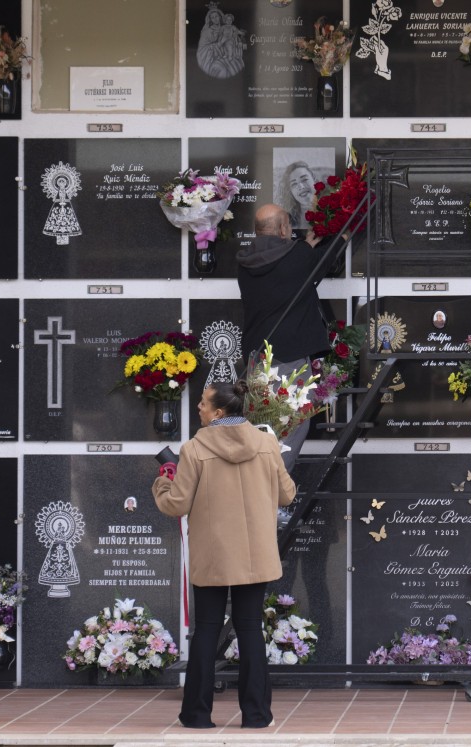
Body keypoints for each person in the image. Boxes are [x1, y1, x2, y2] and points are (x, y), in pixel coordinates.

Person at [152, 380, 295, 729]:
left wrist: (162, 481)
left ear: (218, 412)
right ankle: (257, 715)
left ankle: (198, 715)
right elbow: (287, 495)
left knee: (206, 631)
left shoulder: (194, 449)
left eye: (203, 403)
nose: (198, 407)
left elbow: (177, 503)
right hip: (255, 556)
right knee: (249, 629)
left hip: (212, 556)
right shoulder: (266, 443)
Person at [236, 204, 330, 470]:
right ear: (281, 229)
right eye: (289, 225)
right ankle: (271, 499)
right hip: (288, 358)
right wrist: (345, 236)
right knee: (291, 425)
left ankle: (260, 496)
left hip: (257, 358)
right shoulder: (298, 254)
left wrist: (303, 250)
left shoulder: (245, 261)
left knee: (264, 428)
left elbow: (283, 270)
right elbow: (320, 265)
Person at [278, 161, 317, 229]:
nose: (301, 187)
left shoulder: (330, 211)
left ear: (314, 179)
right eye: (294, 184)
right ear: (290, 192)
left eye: (304, 179)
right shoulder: (287, 221)